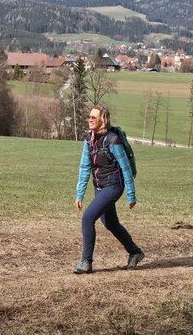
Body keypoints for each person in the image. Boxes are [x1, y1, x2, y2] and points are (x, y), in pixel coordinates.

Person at [73, 104, 145, 274]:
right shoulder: (88, 140)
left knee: (88, 218)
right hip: (99, 186)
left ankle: (86, 262)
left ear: (102, 120)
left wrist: (131, 194)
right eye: (89, 117)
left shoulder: (113, 140)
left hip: (114, 186)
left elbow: (126, 168)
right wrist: (79, 194)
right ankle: (135, 252)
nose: (90, 119)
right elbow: (84, 167)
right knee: (111, 223)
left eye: (94, 117)